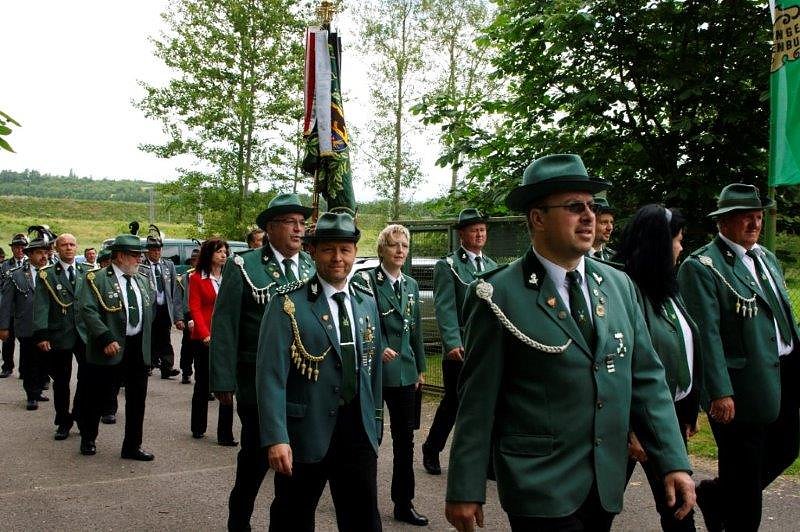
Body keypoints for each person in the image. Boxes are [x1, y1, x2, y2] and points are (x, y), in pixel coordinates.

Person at [445, 154, 695, 532]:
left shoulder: (618, 285)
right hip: (537, 482)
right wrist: (465, 486)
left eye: (592, 207)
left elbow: (647, 378)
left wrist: (674, 461)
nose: (589, 216)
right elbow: (477, 400)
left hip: (604, 481)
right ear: (538, 217)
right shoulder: (498, 294)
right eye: (574, 207)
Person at [677, 183, 800, 532]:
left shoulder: (765, 257)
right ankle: (735, 515)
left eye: (758, 217)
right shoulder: (703, 266)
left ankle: (717, 496)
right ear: (724, 222)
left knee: (787, 447)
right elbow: (707, 334)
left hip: (783, 371)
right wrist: (718, 390)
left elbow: (783, 315)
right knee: (744, 467)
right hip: (741, 383)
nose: (754, 224)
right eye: (746, 218)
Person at [256, 211, 384, 532]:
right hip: (304, 433)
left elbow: (373, 371)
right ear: (313, 251)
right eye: (328, 249)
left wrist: (376, 421)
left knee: (363, 518)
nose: (337, 258)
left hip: (357, 430)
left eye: (345, 249)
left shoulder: (366, 302)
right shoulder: (288, 304)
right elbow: (270, 376)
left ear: (355, 252)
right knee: (292, 518)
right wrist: (276, 437)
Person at [210, 193, 315, 531]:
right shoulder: (245, 266)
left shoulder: (312, 266)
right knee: (254, 465)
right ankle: (238, 522)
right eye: (291, 223)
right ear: (270, 228)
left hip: (300, 386)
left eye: (302, 223)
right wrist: (223, 380)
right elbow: (225, 325)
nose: (299, 230)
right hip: (257, 385)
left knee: (291, 471)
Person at [614, 205, 702, 531]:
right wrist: (628, 427)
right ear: (658, 244)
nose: (681, 247)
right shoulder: (625, 292)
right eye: (677, 240)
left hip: (667, 418)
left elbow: (684, 346)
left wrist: (688, 410)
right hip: (632, 424)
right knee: (594, 510)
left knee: (679, 507)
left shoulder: (667, 289)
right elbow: (620, 364)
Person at [355, 224, 428, 526]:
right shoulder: (367, 281)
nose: (400, 251)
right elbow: (360, 320)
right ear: (382, 248)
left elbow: (416, 329)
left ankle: (403, 503)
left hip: (405, 372)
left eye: (405, 246)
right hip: (375, 372)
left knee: (405, 440)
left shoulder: (410, 284)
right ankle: (362, 503)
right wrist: (380, 346)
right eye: (394, 245)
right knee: (368, 438)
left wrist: (421, 368)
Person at [421, 208, 497, 475]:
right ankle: (432, 447)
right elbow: (445, 307)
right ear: (462, 234)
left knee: (487, 402)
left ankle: (487, 460)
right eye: (474, 229)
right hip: (461, 346)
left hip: (485, 347)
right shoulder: (449, 265)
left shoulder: (491, 267)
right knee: (453, 402)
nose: (479, 233)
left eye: (483, 229)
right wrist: (452, 342)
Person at [77, 234, 155, 460]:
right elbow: (88, 310)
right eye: (134, 255)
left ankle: (132, 446)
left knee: (137, 400)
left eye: (139, 255)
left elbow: (148, 311)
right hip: (109, 346)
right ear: (119, 256)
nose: (139, 259)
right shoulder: (96, 278)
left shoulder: (140, 279)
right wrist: (105, 338)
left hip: (137, 347)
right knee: (97, 396)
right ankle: (88, 437)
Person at [32, 233, 90, 440]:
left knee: (87, 378)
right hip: (60, 334)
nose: (68, 248)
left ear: (77, 247)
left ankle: (81, 416)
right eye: (64, 245)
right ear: (56, 249)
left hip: (84, 335)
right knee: (61, 381)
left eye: (72, 244)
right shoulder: (47, 275)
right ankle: (63, 420)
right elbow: (41, 306)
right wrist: (42, 334)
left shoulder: (88, 272)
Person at [188, 238, 236, 445]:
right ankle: (198, 426)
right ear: (209, 254)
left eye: (225, 251)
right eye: (219, 251)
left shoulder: (231, 277)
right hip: (204, 338)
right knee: (203, 383)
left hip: (226, 339)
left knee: (227, 385)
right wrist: (205, 333)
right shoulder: (197, 278)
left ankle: (225, 434)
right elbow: (195, 308)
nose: (223, 255)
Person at [0, 227, 54, 409]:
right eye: (39, 253)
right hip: (27, 325)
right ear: (29, 254)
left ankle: (38, 389)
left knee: (43, 361)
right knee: (29, 361)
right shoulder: (15, 275)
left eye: (46, 252)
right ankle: (31, 394)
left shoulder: (52, 273)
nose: (44, 256)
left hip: (47, 326)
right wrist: (4, 326)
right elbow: (6, 303)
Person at [140, 226, 183, 378]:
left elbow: (174, 290)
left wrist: (177, 314)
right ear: (148, 252)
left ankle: (167, 367)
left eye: (158, 250)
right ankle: (149, 364)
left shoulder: (168, 265)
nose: (156, 253)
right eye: (153, 250)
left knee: (165, 337)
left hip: (164, 307)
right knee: (149, 337)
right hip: (149, 308)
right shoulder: (142, 266)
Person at [0, 233, 28, 378]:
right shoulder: (5, 265)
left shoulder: (30, 264)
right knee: (8, 341)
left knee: (25, 342)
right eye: (16, 247)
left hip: (25, 310)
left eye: (22, 247)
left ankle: (24, 370)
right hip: (10, 309)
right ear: (12, 249)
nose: (19, 250)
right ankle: (7, 367)